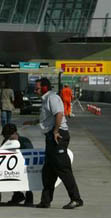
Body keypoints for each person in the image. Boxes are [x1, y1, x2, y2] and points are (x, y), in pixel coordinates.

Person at [25, 78, 83, 209]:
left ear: (45, 88)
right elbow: (47, 118)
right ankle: (46, 201)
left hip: (58, 136)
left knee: (63, 169)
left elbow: (59, 114)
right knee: (48, 171)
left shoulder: (52, 98)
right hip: (51, 138)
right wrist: (33, 121)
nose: (35, 90)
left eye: (37, 88)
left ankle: (76, 199)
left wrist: (56, 131)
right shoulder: (46, 99)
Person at [1, 123, 34, 206]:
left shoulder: (24, 141)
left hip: (24, 167)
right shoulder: (6, 141)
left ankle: (29, 196)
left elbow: (30, 154)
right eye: (5, 136)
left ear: (15, 133)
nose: (7, 138)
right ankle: (17, 195)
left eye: (8, 136)